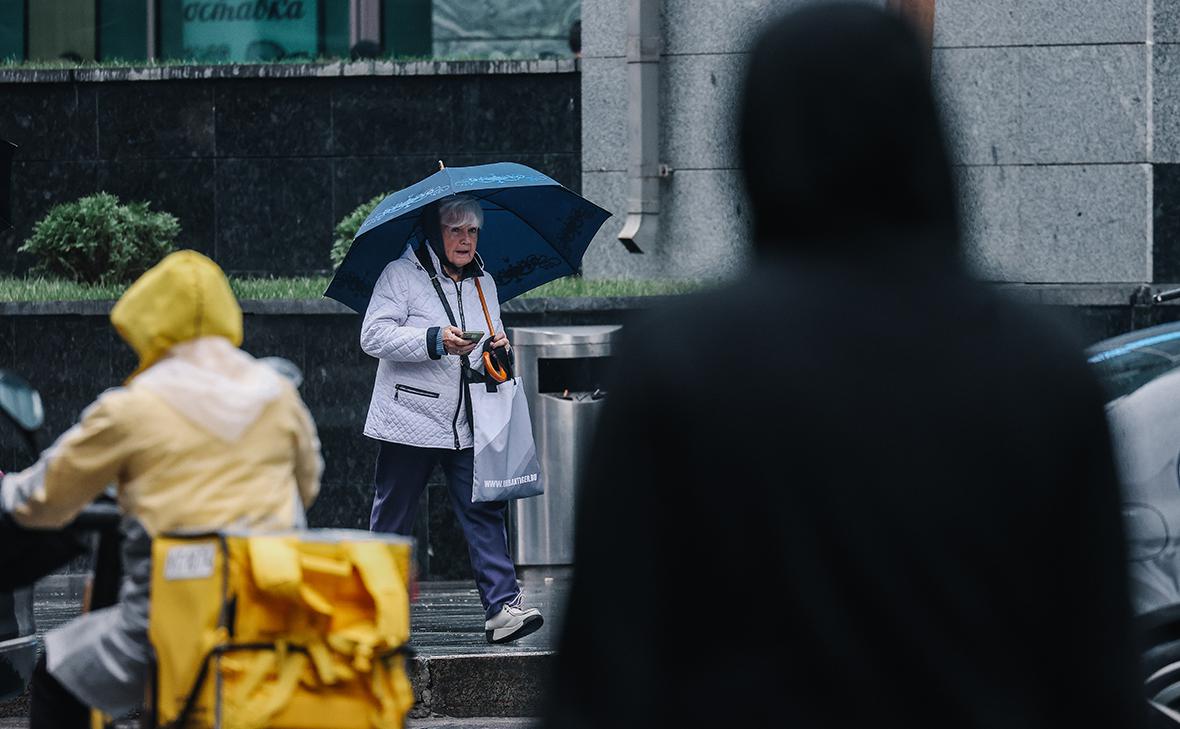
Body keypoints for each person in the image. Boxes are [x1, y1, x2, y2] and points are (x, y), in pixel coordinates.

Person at [545, 4, 1146, 728]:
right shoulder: (1042, 368)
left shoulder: (679, 365)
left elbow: (602, 682)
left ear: (757, 143)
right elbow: (1096, 678)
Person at [1, 250, 323, 728]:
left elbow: (43, 499)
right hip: (275, 607)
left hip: (170, 616)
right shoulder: (277, 394)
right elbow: (308, 485)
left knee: (58, 670)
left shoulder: (132, 407)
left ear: (147, 326)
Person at [362, 194, 543, 644]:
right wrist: (435, 339)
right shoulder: (400, 275)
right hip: (409, 416)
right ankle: (377, 611)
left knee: (484, 510)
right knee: (394, 517)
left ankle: (502, 609)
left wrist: (494, 351)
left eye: (473, 231)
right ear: (434, 232)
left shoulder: (485, 283)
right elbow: (373, 336)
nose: (465, 240)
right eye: (455, 230)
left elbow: (483, 357)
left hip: (467, 421)